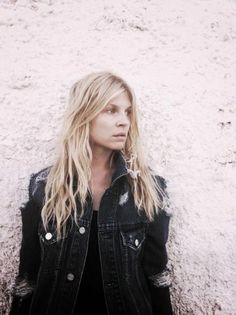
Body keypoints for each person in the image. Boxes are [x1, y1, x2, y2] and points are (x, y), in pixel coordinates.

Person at [10, 71, 173, 315]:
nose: (124, 121)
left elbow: (157, 278)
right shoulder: (44, 188)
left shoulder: (148, 190)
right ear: (83, 114)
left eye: (128, 112)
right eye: (111, 110)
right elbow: (27, 280)